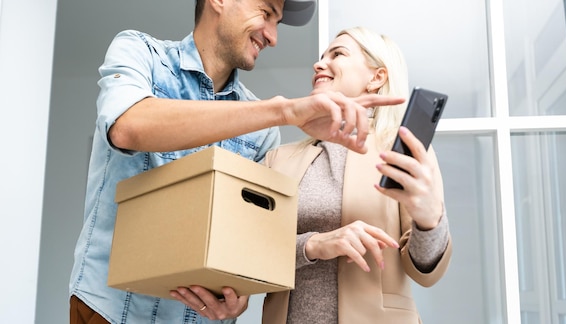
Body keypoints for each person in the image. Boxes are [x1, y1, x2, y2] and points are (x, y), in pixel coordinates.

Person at [68, 0, 405, 323]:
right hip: (111, 312)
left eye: (277, 22)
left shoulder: (263, 135)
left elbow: (246, 246)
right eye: (266, 13)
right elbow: (129, 127)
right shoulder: (140, 53)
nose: (273, 36)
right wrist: (283, 111)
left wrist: (239, 293)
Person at [260, 26, 453, 323]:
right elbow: (252, 252)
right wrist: (312, 245)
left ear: (376, 78)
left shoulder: (404, 152)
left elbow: (426, 271)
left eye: (337, 53)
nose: (319, 63)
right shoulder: (279, 158)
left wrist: (430, 222)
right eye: (322, 55)